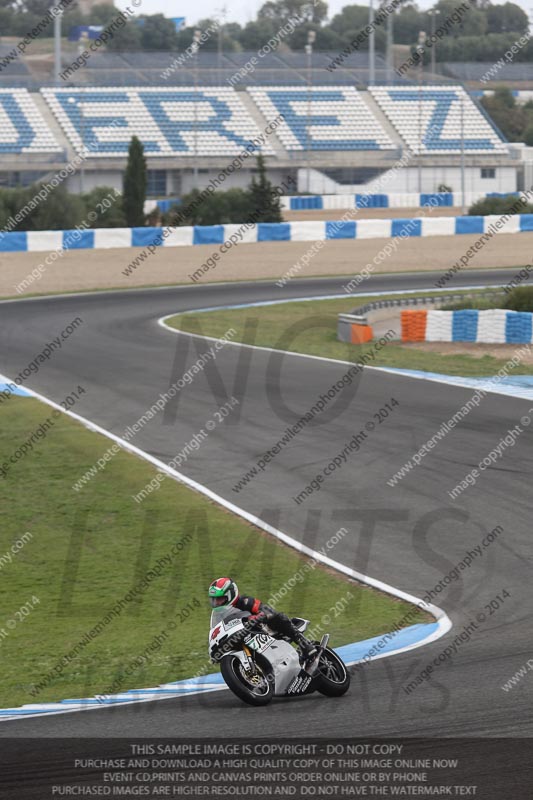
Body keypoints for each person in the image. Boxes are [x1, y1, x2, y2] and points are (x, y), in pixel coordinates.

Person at [208, 577, 317, 659]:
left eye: (220, 599)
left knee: (277, 617)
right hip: (243, 637)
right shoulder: (220, 615)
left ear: (230, 594)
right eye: (214, 600)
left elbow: (266, 609)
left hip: (265, 631)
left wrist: (257, 617)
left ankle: (304, 643)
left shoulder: (245, 601)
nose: (217, 603)